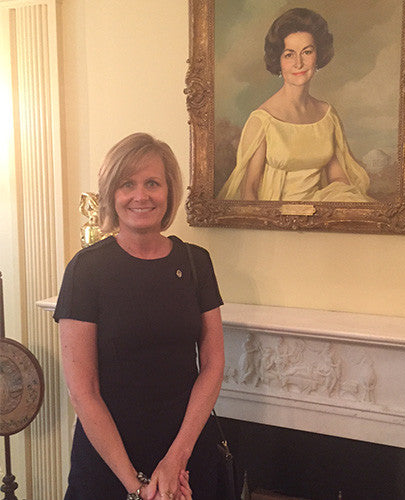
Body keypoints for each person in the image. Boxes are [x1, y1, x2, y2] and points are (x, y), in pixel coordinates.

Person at [55, 133, 226, 499]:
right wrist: (137, 487)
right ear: (111, 194)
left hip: (187, 451)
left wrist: (176, 460)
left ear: (169, 191)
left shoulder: (196, 262)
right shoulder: (86, 269)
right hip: (109, 459)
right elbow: (83, 391)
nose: (141, 195)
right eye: (126, 184)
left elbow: (212, 365)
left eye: (153, 183)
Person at [217, 7, 374, 202]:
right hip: (275, 220)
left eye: (307, 52)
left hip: (319, 215)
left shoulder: (327, 115)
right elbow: (249, 189)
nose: (298, 63)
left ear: (318, 56)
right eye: (289, 54)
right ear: (279, 61)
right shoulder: (262, 120)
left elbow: (338, 178)